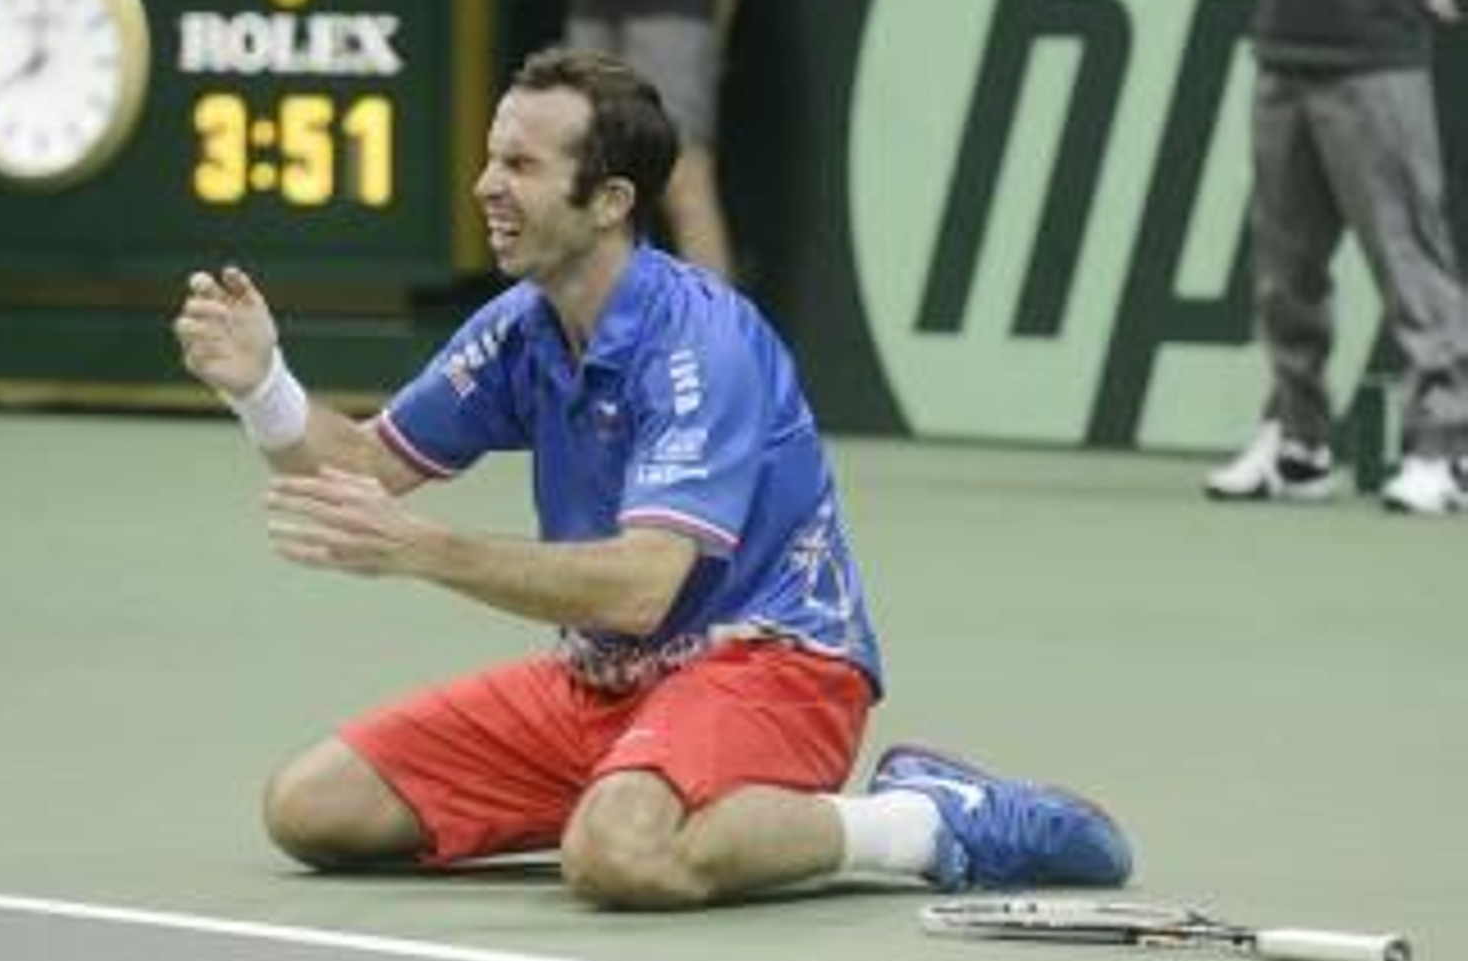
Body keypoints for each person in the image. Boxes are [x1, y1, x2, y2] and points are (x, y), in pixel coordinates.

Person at [173, 48, 1131, 908]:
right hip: (602, 683)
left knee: (621, 856)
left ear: (610, 201)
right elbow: (366, 465)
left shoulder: (702, 342)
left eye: (521, 166)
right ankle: (646, 784)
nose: (485, 186)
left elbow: (641, 586)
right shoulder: (521, 325)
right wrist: (264, 387)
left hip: (774, 666)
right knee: (311, 806)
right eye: (492, 158)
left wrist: (425, 551)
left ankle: (922, 822)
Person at [1206, 0, 1468, 514]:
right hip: (1285, 49)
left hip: (1378, 57)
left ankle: (1447, 449)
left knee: (1410, 264)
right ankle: (1300, 445)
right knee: (1283, 270)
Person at [565, 0, 747, 279]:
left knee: (684, 176)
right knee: (593, 179)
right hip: (595, 5)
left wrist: (719, 27)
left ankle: (715, 334)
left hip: (671, 10)